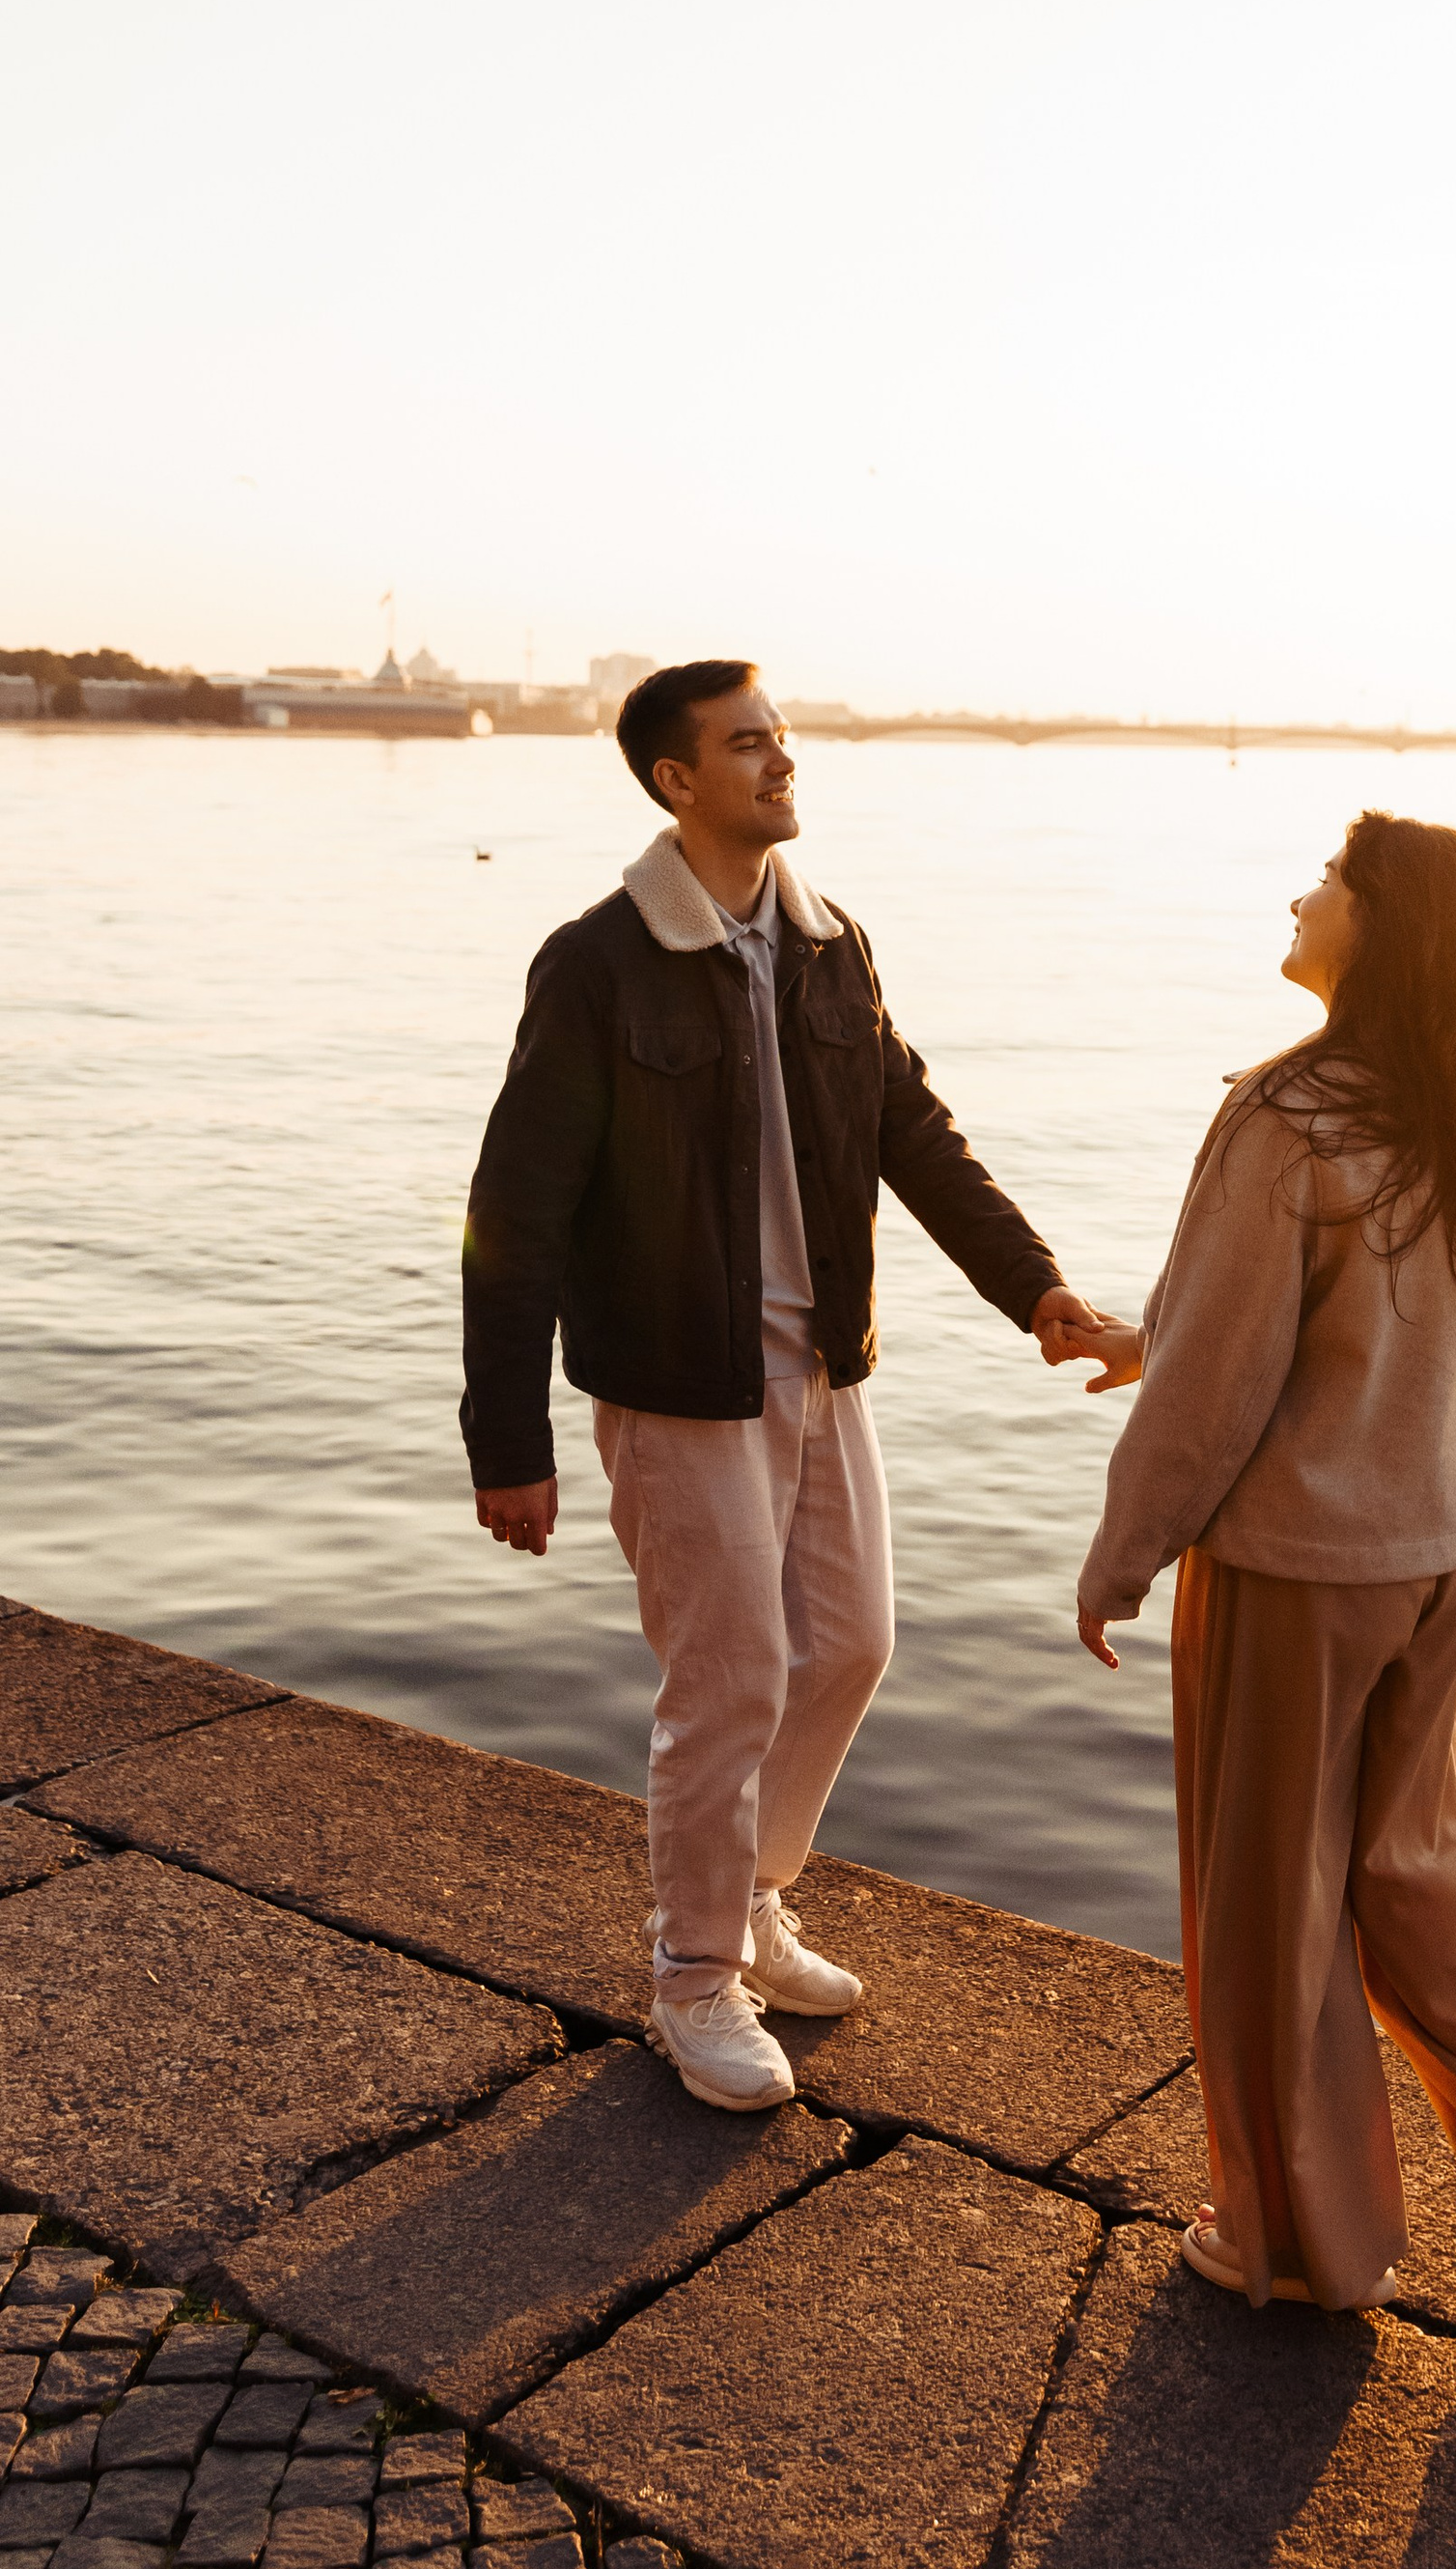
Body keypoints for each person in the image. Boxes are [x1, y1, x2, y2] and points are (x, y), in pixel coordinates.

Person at [461, 658, 1119, 2111]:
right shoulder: (599, 962)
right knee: (731, 1677)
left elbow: (916, 1132)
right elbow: (514, 1212)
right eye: (747, 745)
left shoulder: (831, 948)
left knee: (851, 1644)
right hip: (676, 1378)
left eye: (784, 737)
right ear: (673, 781)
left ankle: (754, 1898)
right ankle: (692, 1978)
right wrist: (507, 1438)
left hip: (819, 1368)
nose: (781, 761)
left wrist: (1037, 1293)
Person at [1072, 809, 1456, 2311]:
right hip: (1438, 1551)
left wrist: (1123, 1553)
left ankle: (1293, 2244)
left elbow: (1217, 1390)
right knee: (1413, 1855)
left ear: (1377, 924)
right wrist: (1161, 1340)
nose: (1298, 893)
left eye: (1325, 881)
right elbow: (1365, 1344)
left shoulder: (1294, 1114)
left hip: (1297, 1565)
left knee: (1268, 1911)